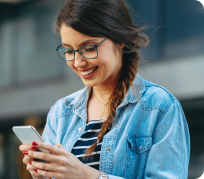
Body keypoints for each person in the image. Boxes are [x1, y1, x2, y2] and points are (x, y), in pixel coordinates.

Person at [19, 0, 190, 178]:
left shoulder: (159, 107)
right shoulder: (61, 113)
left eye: (89, 48)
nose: (78, 62)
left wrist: (88, 176)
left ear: (120, 40)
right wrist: (43, 175)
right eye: (69, 51)